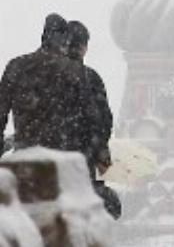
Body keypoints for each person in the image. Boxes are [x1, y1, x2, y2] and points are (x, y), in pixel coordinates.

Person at [0, 15, 89, 153]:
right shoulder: (75, 72)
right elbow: (86, 118)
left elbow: (2, 109)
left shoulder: (17, 66)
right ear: (65, 41)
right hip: (62, 157)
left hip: (25, 155)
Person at [64, 21, 119, 219]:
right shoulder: (90, 78)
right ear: (83, 47)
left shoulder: (45, 76)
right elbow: (103, 120)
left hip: (46, 162)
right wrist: (101, 151)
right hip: (81, 159)